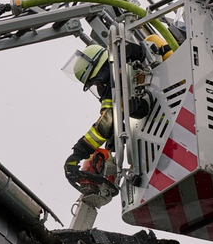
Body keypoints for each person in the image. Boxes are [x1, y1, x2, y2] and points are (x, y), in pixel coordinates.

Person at [62, 43, 151, 190]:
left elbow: (107, 122)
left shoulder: (126, 62)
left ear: (101, 68)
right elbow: (109, 116)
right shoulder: (109, 87)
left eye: (96, 80)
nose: (98, 85)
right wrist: (111, 142)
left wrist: (78, 152)